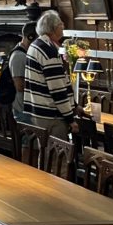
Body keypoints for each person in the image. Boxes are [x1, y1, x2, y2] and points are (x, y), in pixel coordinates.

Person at [23, 10, 77, 139]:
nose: (63, 26)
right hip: (51, 116)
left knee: (44, 154)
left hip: (38, 112)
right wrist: (70, 118)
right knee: (57, 157)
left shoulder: (35, 45)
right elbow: (57, 89)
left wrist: (75, 106)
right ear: (52, 29)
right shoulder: (48, 51)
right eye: (60, 24)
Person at [8, 22, 37, 123]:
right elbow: (19, 85)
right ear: (30, 37)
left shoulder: (24, 53)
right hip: (23, 110)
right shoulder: (19, 56)